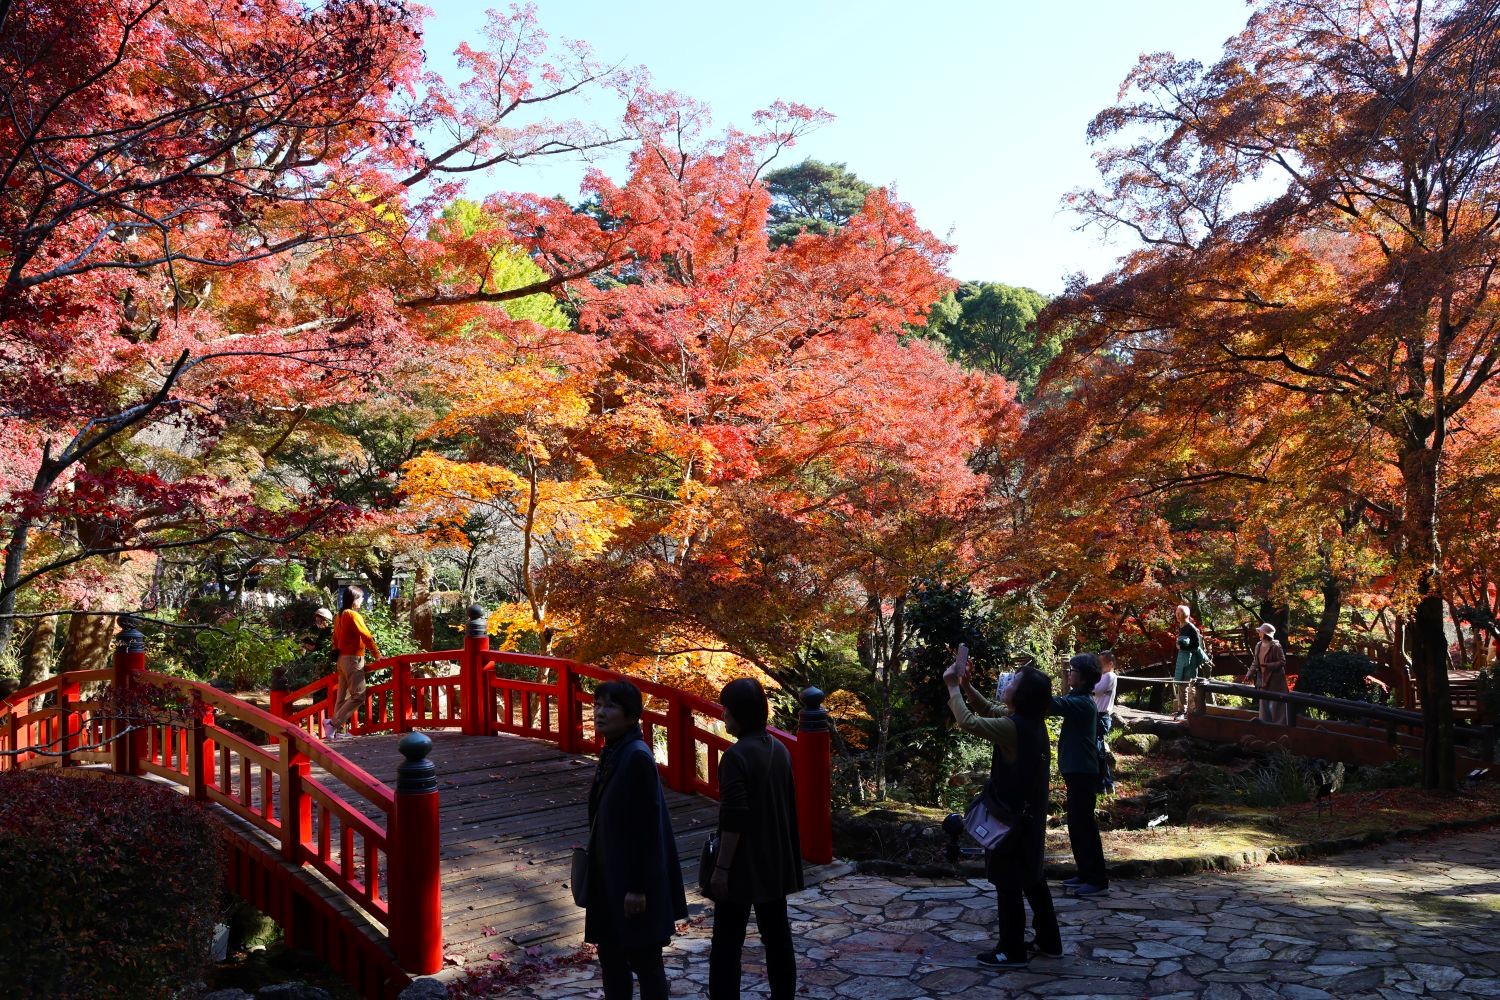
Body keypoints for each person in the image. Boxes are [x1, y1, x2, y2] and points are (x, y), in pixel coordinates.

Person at [948, 649, 1062, 969]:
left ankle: (1011, 950)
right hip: (1030, 817)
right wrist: (967, 686)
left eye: (1014, 680)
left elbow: (968, 721)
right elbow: (988, 709)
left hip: (1011, 821)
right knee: (1033, 877)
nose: (1008, 681)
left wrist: (952, 687)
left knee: (1008, 881)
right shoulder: (1028, 722)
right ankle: (1049, 940)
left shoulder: (1013, 727)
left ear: (1021, 694)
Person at [584, 680, 688, 1000]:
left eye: (610, 706)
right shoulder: (615, 749)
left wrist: (638, 886)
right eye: (597, 704)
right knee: (612, 958)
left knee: (645, 961)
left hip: (632, 885)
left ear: (631, 716)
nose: (599, 713)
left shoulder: (636, 756)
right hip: (610, 877)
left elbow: (648, 827)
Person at [708, 678, 804, 1000]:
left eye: (727, 709)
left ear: (740, 713)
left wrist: (721, 869)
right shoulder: (780, 750)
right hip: (775, 860)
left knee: (726, 943)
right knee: (777, 938)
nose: (723, 716)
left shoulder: (735, 757)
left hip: (742, 865)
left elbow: (733, 818)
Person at [1054, 653, 1108, 896]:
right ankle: (1085, 873)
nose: (1069, 673)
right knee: (1077, 824)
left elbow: (1053, 704)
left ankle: (1097, 880)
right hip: (1076, 770)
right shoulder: (1078, 698)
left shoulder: (1083, 703)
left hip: (1083, 771)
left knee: (1084, 825)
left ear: (1084, 677)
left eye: (1073, 670)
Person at [324, 589, 380, 740]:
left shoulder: (339, 615)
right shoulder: (353, 615)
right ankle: (333, 724)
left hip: (341, 659)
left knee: (342, 696)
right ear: (355, 599)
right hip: (353, 658)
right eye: (361, 598)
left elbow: (334, 639)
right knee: (359, 696)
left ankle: (336, 731)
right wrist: (377, 654)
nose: (362, 601)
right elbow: (366, 636)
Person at [1250, 623, 1290, 725]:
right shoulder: (1258, 645)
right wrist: (1249, 673)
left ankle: (1279, 732)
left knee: (1276, 709)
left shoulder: (1276, 646)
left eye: (1261, 632)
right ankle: (1265, 730)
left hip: (1275, 683)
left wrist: (1268, 665)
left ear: (1266, 634)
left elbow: (1282, 662)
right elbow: (1255, 662)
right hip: (1263, 682)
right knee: (1264, 709)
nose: (1259, 633)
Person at [1172, 605, 1206, 719]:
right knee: (1181, 685)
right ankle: (1181, 711)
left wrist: (1183, 646)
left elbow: (1196, 645)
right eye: (1176, 612)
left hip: (1190, 660)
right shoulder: (1181, 627)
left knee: (1189, 686)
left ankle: (1189, 712)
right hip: (1182, 658)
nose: (1177, 615)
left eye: (1179, 613)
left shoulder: (1192, 628)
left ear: (1186, 614)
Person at [1094, 650, 1119, 794]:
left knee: (1099, 753)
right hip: (1098, 715)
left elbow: (1096, 690)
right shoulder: (1104, 676)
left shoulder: (1110, 676)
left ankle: (1103, 785)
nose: (1099, 666)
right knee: (1099, 752)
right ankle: (1107, 784)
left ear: (1110, 663)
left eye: (1101, 663)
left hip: (1101, 716)